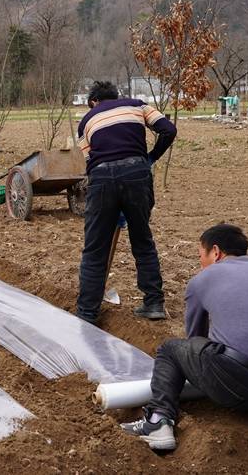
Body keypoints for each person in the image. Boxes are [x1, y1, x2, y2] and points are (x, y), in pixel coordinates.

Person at [120, 224, 248, 451]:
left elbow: (195, 341)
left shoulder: (204, 278)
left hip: (241, 386)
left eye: (201, 255)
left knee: (171, 350)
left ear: (216, 252)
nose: (201, 263)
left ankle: (158, 422)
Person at [76, 81, 176, 324]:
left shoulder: (86, 121)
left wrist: (109, 197)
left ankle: (87, 313)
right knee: (142, 240)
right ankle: (153, 303)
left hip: (101, 179)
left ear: (93, 102)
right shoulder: (138, 106)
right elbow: (169, 130)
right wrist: (149, 157)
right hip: (137, 174)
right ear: (116, 96)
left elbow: (89, 159)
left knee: (95, 248)